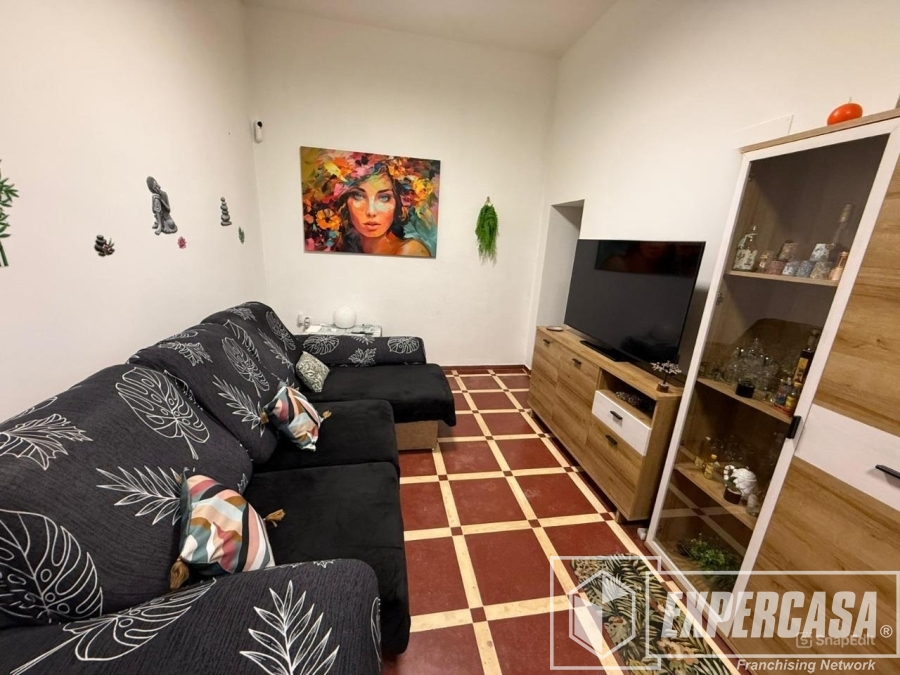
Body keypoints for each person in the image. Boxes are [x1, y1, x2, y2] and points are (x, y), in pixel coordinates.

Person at [337, 169, 430, 257]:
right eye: (358, 195)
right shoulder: (339, 248)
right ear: (345, 203)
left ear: (400, 203)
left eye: (384, 197)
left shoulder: (410, 251)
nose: (371, 211)